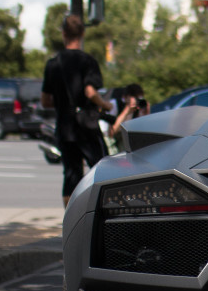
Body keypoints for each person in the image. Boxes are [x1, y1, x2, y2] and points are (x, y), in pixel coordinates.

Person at [41, 14, 114, 206]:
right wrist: (105, 105)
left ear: (63, 34)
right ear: (82, 33)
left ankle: (71, 221)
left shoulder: (53, 63)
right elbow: (90, 92)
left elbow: (45, 101)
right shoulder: (88, 61)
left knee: (71, 176)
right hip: (86, 125)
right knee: (101, 170)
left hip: (65, 127)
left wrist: (62, 103)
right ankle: (99, 216)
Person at [110, 83, 150, 152]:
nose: (137, 101)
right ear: (127, 97)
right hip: (116, 141)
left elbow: (143, 131)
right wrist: (127, 110)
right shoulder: (115, 104)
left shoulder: (137, 108)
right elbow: (112, 132)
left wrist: (146, 114)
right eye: (136, 98)